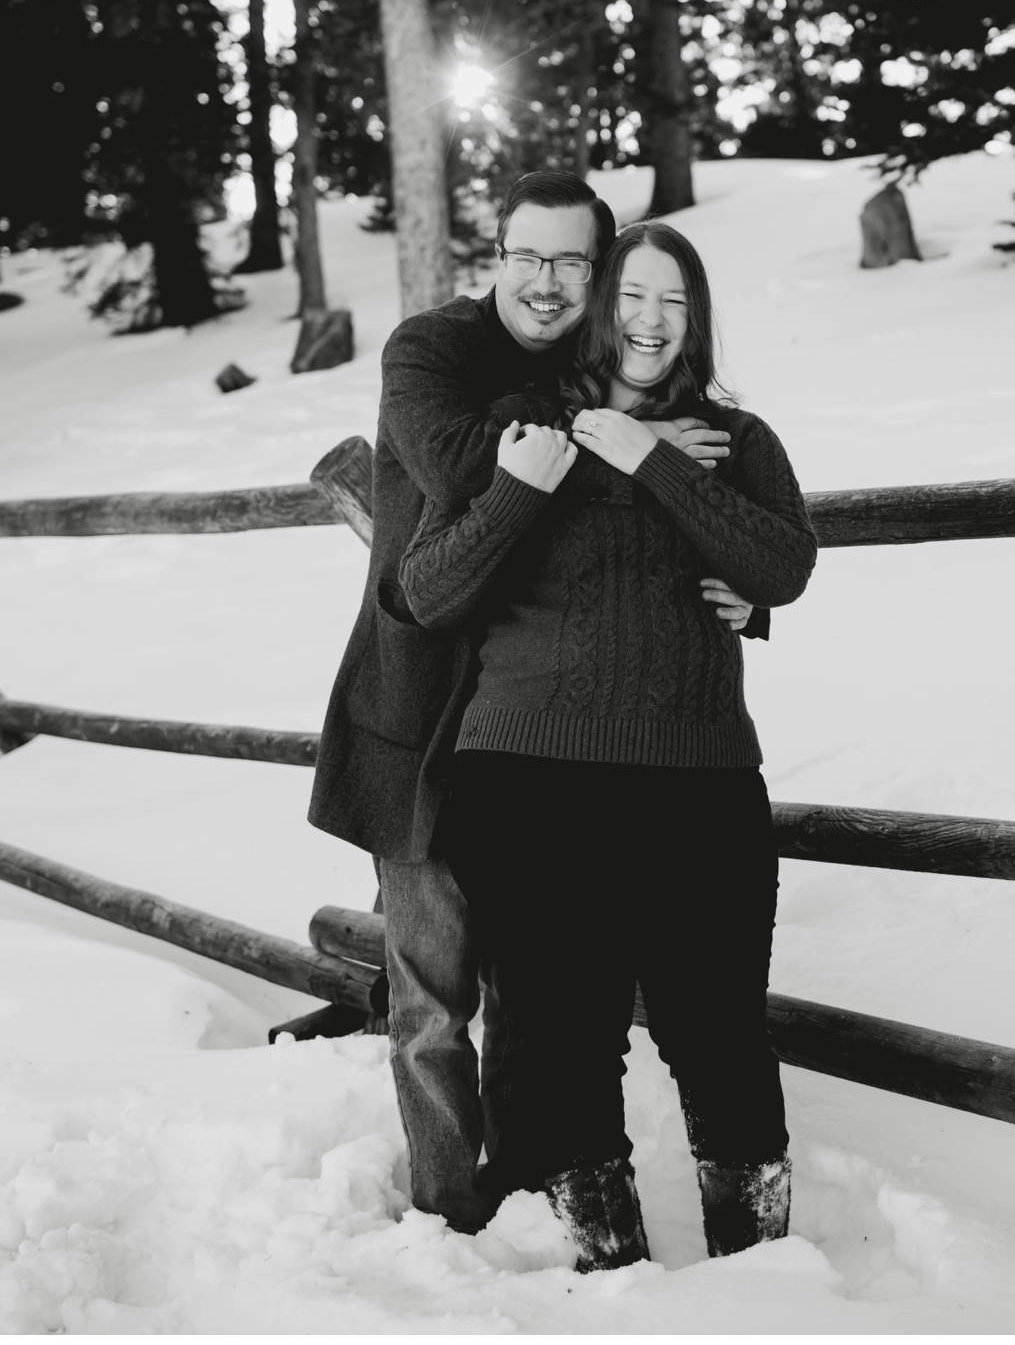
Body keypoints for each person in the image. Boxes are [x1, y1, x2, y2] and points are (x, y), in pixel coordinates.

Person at [307, 173, 761, 1234]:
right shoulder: (431, 352)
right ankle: (446, 1209)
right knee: (430, 988)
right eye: (528, 256)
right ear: (494, 256)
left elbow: (649, 531)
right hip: (422, 706)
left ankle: (528, 1179)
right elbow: (474, 468)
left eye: (574, 262)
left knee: (536, 989)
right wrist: (629, 453)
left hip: (540, 721)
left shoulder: (600, 364)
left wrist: (735, 597)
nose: (550, 283)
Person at [398, 219, 817, 1269]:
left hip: (701, 778)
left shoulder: (737, 440)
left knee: (720, 1035)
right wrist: (557, 473)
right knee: (563, 1043)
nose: (650, 319)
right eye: (632, 294)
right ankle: (615, 1277)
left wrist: (653, 459)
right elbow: (430, 586)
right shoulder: (521, 427)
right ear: (599, 306)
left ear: (698, 318)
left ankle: (764, 1282)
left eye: (675, 301)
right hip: (533, 780)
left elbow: (781, 564)